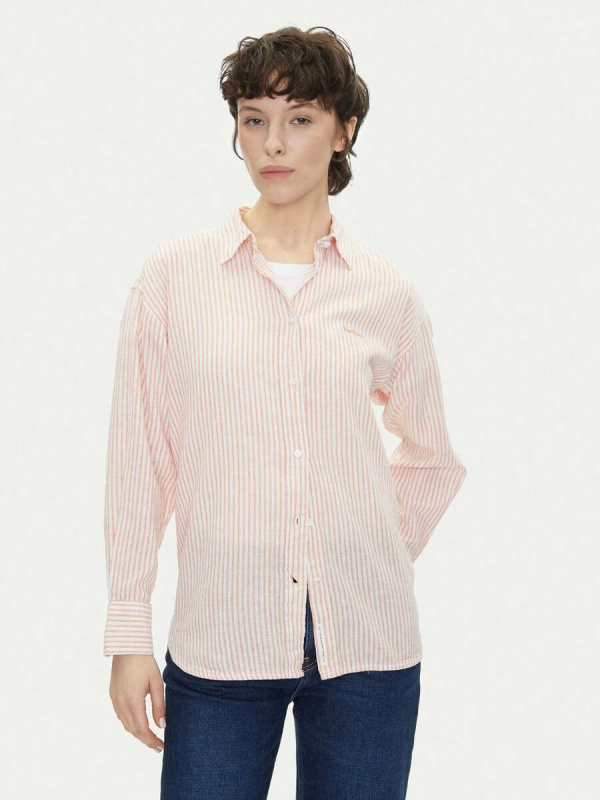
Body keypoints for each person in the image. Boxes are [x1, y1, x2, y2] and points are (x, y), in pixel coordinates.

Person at [103, 25, 467, 800]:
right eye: (254, 118)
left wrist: (371, 546)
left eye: (300, 118)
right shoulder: (174, 279)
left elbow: (433, 456)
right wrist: (129, 633)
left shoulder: (385, 293)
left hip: (368, 647)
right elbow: (140, 463)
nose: (273, 142)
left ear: (343, 131)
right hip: (221, 638)